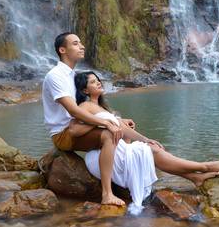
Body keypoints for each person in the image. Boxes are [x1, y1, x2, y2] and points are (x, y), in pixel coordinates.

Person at [69, 71, 219, 212]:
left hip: (115, 150)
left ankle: (195, 177)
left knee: (151, 148)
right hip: (102, 156)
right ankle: (203, 167)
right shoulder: (85, 105)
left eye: (98, 80)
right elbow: (74, 130)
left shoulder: (103, 108)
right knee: (153, 152)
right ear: (84, 90)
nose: (98, 82)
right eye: (92, 82)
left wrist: (146, 139)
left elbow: (125, 130)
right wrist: (104, 123)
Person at [43, 32, 156, 206]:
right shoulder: (55, 76)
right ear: (62, 50)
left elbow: (88, 107)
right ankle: (107, 194)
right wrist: (106, 122)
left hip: (80, 127)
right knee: (109, 134)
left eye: (81, 43)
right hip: (64, 133)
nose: (82, 46)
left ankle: (129, 179)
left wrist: (114, 119)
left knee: (120, 131)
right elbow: (74, 111)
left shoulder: (72, 76)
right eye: (75, 43)